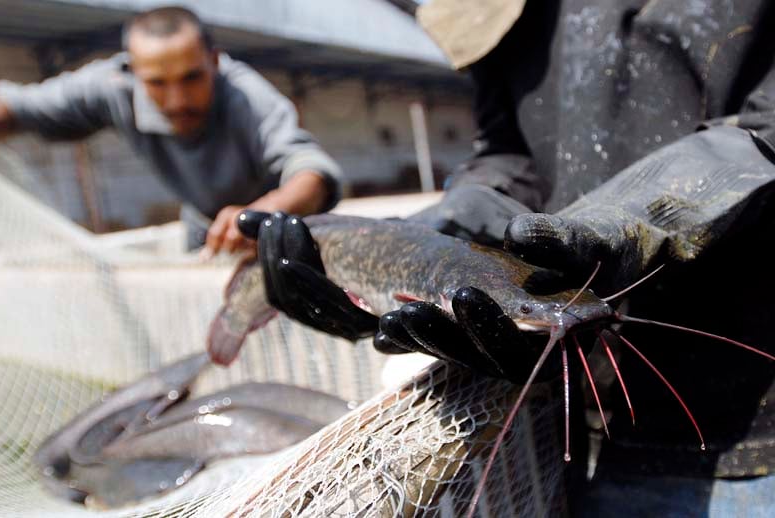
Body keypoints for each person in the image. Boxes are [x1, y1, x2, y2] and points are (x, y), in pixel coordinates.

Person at [239, 0, 775, 516]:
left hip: (746, 414)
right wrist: (438, 230)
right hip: (565, 419)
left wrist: (641, 214)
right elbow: (505, 153)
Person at [0, 6, 342, 255]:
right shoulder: (113, 86)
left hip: (279, 229)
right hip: (202, 227)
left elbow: (309, 170)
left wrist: (262, 215)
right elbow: (13, 106)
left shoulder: (244, 93)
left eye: (192, 77)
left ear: (214, 62)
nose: (177, 99)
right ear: (132, 72)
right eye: (156, 83)